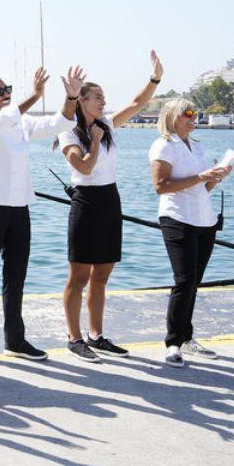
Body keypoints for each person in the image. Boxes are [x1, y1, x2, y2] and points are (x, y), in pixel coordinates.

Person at [0, 64, 85, 367]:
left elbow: (59, 123)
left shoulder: (19, 121)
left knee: (16, 276)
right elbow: (2, 120)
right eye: (0, 92)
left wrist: (70, 97)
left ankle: (15, 340)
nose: (6, 96)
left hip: (19, 206)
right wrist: (33, 95)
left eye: (8, 91)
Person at [56, 51, 164, 362]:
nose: (104, 102)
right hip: (85, 201)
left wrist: (155, 77)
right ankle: (74, 338)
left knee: (102, 274)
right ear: (82, 100)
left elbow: (137, 103)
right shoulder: (68, 132)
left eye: (104, 97)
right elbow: (85, 169)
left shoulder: (107, 125)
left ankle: (97, 335)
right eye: (98, 97)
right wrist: (93, 140)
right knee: (78, 275)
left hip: (109, 199)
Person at [148, 98, 230, 368]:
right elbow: (161, 186)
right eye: (188, 113)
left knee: (194, 281)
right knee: (184, 280)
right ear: (173, 116)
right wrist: (201, 176)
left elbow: (200, 188)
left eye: (196, 112)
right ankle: (173, 342)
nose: (194, 117)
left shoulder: (197, 146)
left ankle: (186, 337)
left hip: (204, 220)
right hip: (177, 218)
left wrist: (215, 179)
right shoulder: (163, 145)